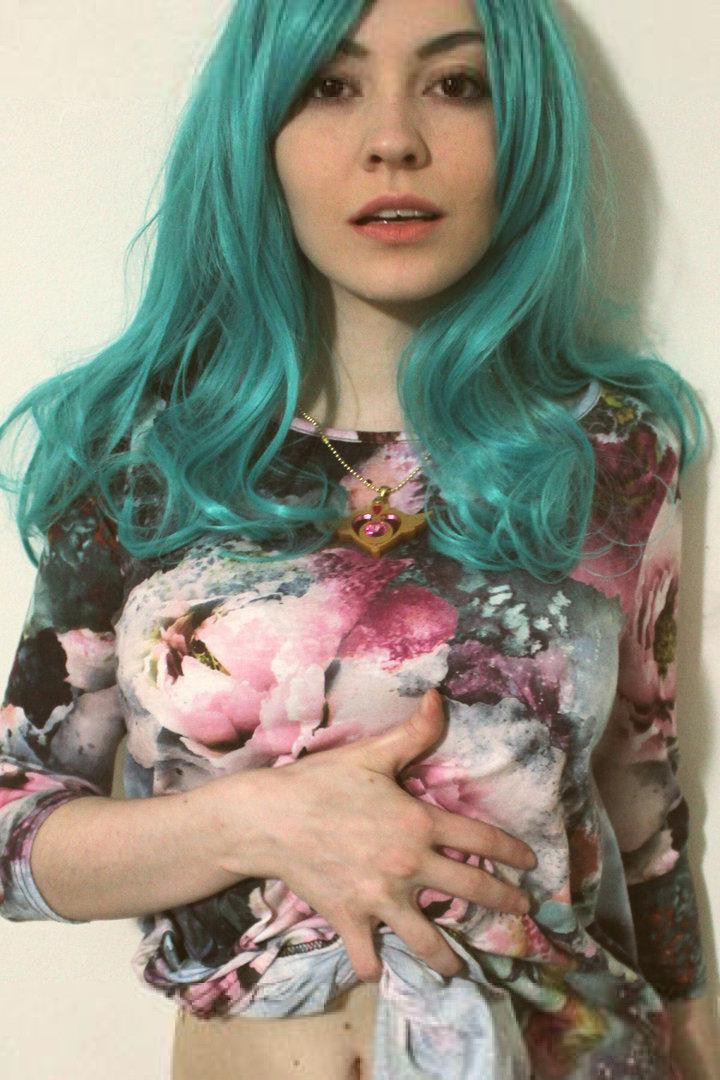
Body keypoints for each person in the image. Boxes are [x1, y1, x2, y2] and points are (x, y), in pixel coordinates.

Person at [0, 0, 716, 1077]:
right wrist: (265, 823)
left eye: (456, 84)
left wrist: (698, 1033)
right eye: (331, 85)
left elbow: (641, 797)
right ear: (260, 131)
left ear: (523, 124)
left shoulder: (610, 449)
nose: (393, 139)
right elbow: (12, 821)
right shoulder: (143, 455)